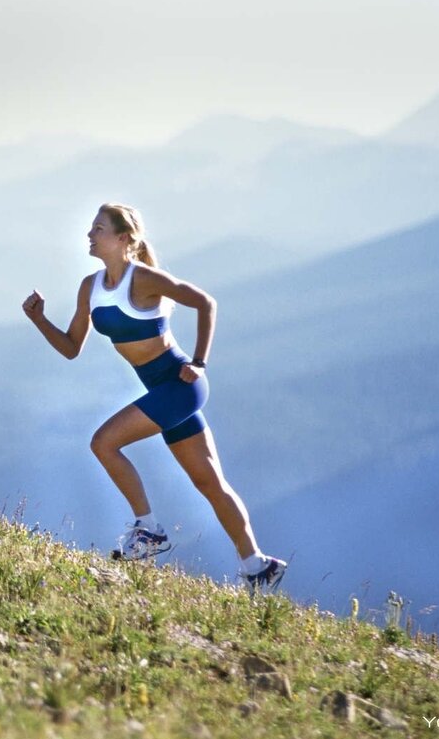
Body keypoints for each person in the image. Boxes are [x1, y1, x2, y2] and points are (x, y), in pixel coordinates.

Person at [22, 202, 286, 590]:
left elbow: (204, 303)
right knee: (209, 482)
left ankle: (148, 530)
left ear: (123, 238)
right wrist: (39, 319)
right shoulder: (90, 288)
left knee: (104, 442)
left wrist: (199, 361)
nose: (90, 235)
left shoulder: (144, 279)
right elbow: (71, 347)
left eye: (98, 229)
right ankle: (257, 566)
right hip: (164, 392)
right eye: (91, 228)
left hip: (181, 385)